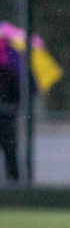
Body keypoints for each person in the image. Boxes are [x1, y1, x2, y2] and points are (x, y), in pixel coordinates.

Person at [0, 55, 20, 183]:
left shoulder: (10, 75)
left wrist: (5, 105)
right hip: (7, 120)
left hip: (6, 120)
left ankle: (13, 179)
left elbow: (16, 99)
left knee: (10, 151)